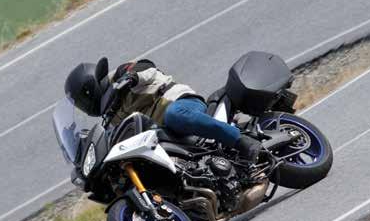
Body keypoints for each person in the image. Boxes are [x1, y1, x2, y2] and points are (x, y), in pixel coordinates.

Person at [64, 58, 261, 162]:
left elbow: (147, 68)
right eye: (80, 104)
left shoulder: (119, 75)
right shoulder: (109, 119)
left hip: (179, 103)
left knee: (175, 115)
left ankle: (241, 141)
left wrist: (132, 77)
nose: (85, 105)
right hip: (161, 134)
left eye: (84, 99)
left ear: (92, 86)